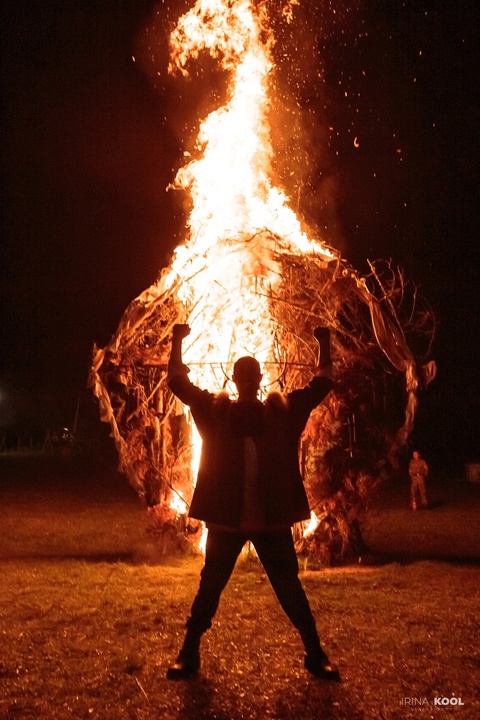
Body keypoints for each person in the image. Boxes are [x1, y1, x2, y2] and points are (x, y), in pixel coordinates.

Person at [165, 323, 340, 681]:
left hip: (271, 523)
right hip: (225, 524)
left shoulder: (282, 413)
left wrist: (324, 342)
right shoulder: (215, 414)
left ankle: (315, 654)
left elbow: (322, 382)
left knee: (291, 590)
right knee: (209, 590)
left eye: (251, 374)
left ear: (260, 379)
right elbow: (177, 383)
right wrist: (176, 342)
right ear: (233, 379)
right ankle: (188, 654)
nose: (246, 379)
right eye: (241, 374)